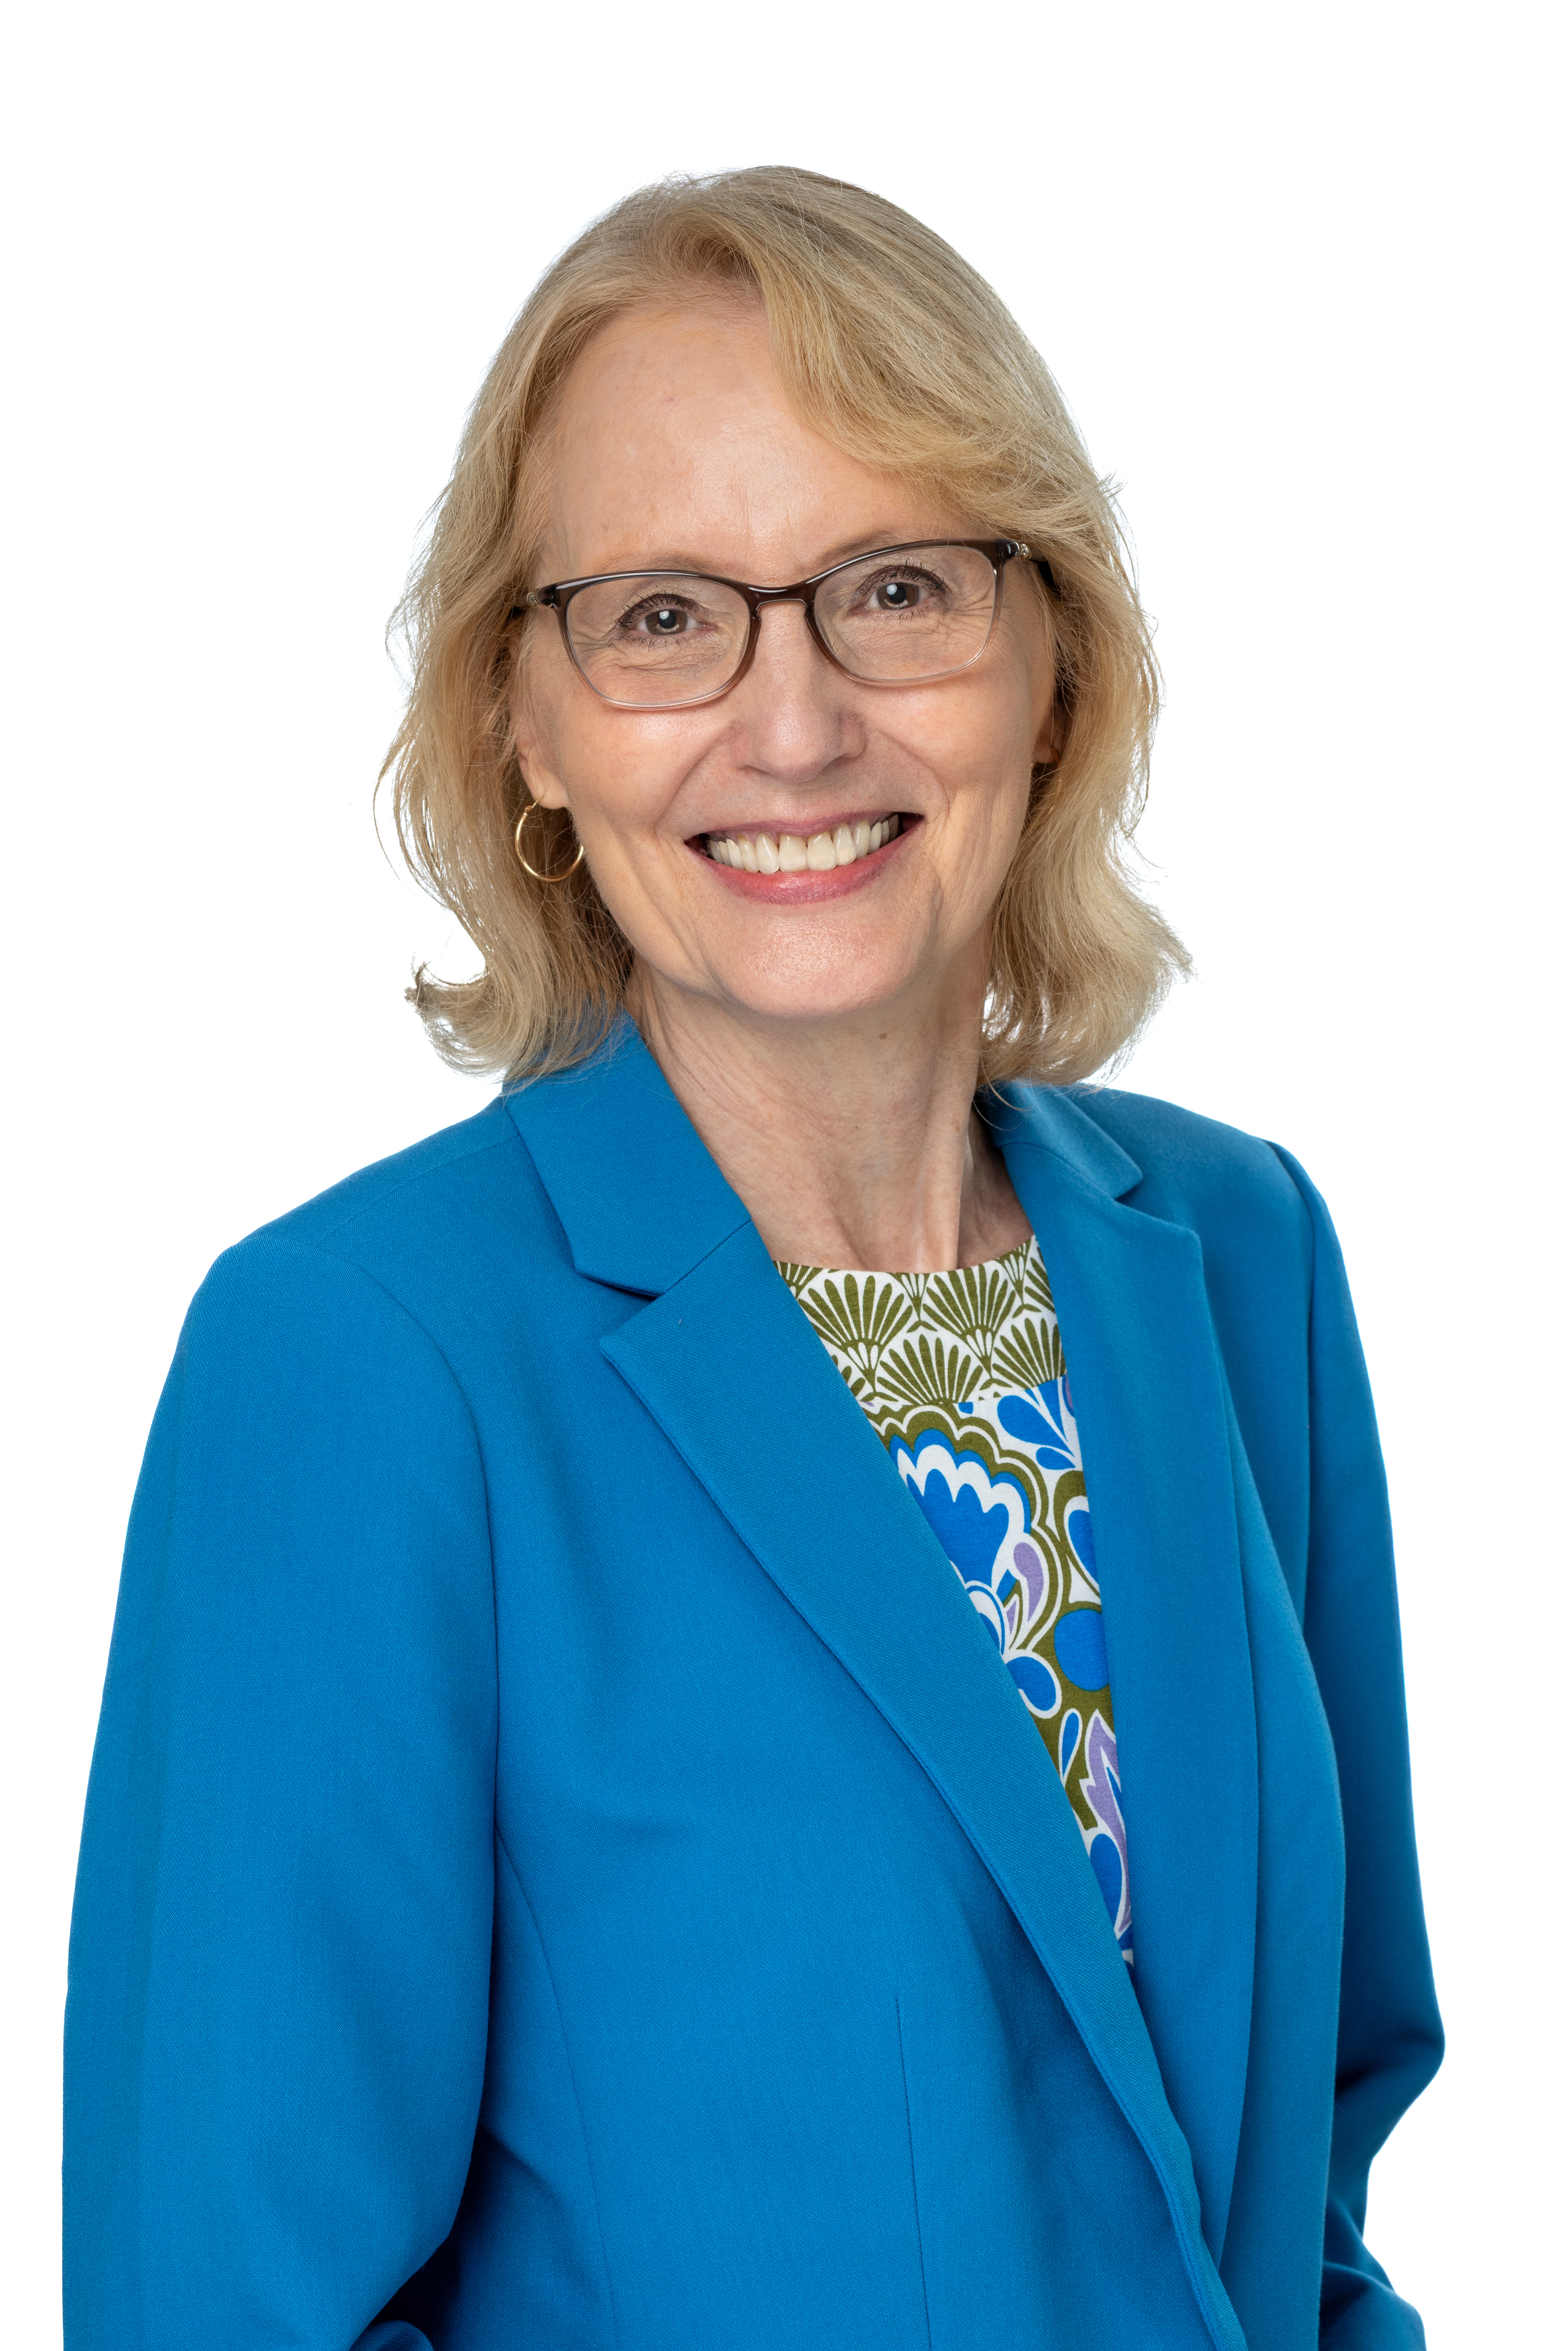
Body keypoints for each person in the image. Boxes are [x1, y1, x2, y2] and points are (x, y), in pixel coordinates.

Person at [64, 167, 1442, 2351]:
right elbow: (224, 2305)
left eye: (895, 587)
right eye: (662, 616)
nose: (794, 723)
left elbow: (1297, 2194)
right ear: (523, 721)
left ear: (1051, 659)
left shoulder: (1240, 1259)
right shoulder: (359, 1360)